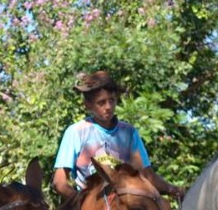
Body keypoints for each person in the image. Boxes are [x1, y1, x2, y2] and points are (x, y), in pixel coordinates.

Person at [52, 70, 185, 201]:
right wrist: (82, 204)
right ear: (88, 105)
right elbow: (59, 183)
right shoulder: (76, 132)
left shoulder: (129, 132)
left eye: (112, 100)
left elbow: (147, 175)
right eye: (101, 102)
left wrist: (172, 189)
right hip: (92, 207)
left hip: (124, 205)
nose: (108, 106)